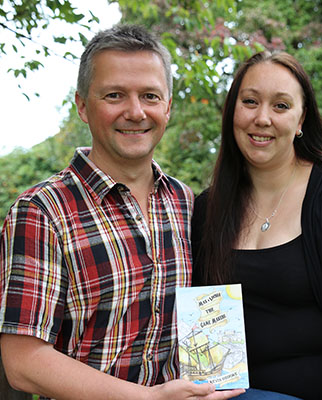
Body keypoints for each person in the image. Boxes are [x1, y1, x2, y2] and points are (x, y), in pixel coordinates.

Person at [0, 25, 244, 400]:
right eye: (114, 95)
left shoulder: (185, 201)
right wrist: (149, 398)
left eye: (150, 96)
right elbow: (24, 363)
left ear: (167, 107)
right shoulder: (40, 212)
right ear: (82, 105)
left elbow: (206, 311)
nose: (135, 111)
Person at [191, 50, 322, 399]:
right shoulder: (208, 209)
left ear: (302, 120)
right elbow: (209, 346)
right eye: (250, 101)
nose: (262, 118)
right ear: (232, 112)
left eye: (281, 106)